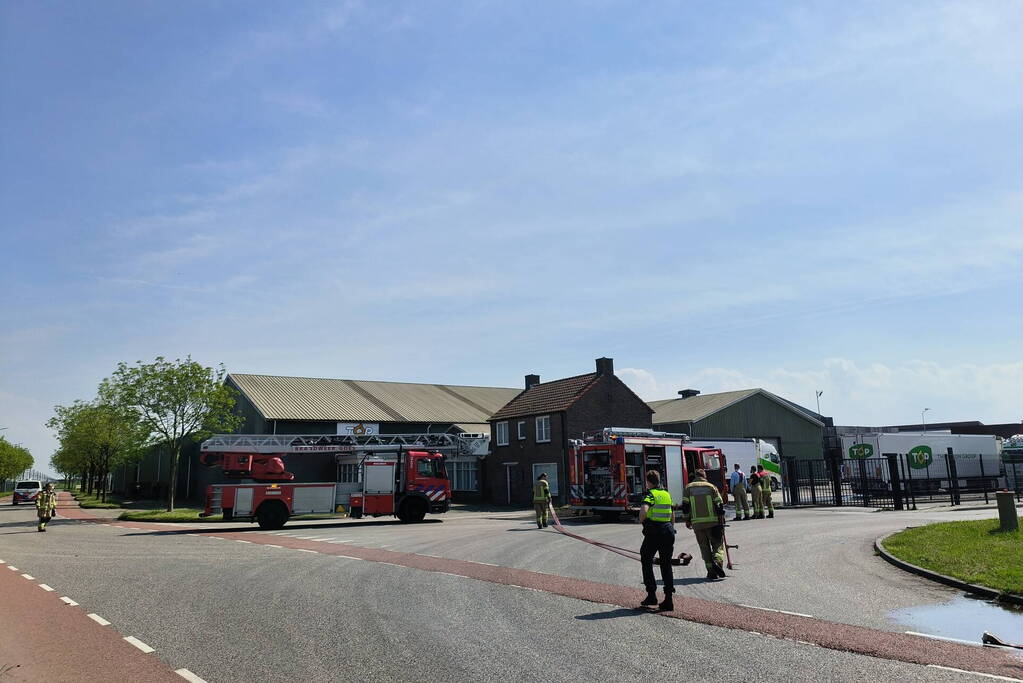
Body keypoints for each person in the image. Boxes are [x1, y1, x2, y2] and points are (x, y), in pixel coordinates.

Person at [639, 470, 675, 611]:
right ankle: (668, 599)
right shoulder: (666, 494)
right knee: (666, 564)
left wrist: (643, 521)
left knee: (646, 559)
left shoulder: (650, 494)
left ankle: (651, 595)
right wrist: (671, 528)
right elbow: (672, 515)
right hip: (668, 530)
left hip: (655, 532)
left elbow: (643, 510)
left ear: (648, 482)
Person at [681, 469, 726, 580]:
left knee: (704, 547)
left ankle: (711, 572)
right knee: (717, 544)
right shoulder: (711, 487)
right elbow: (719, 505)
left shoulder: (688, 488)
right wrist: (722, 519)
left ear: (695, 476)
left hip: (697, 524)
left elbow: (685, 506)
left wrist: (687, 520)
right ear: (705, 476)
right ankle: (717, 561)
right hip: (713, 522)